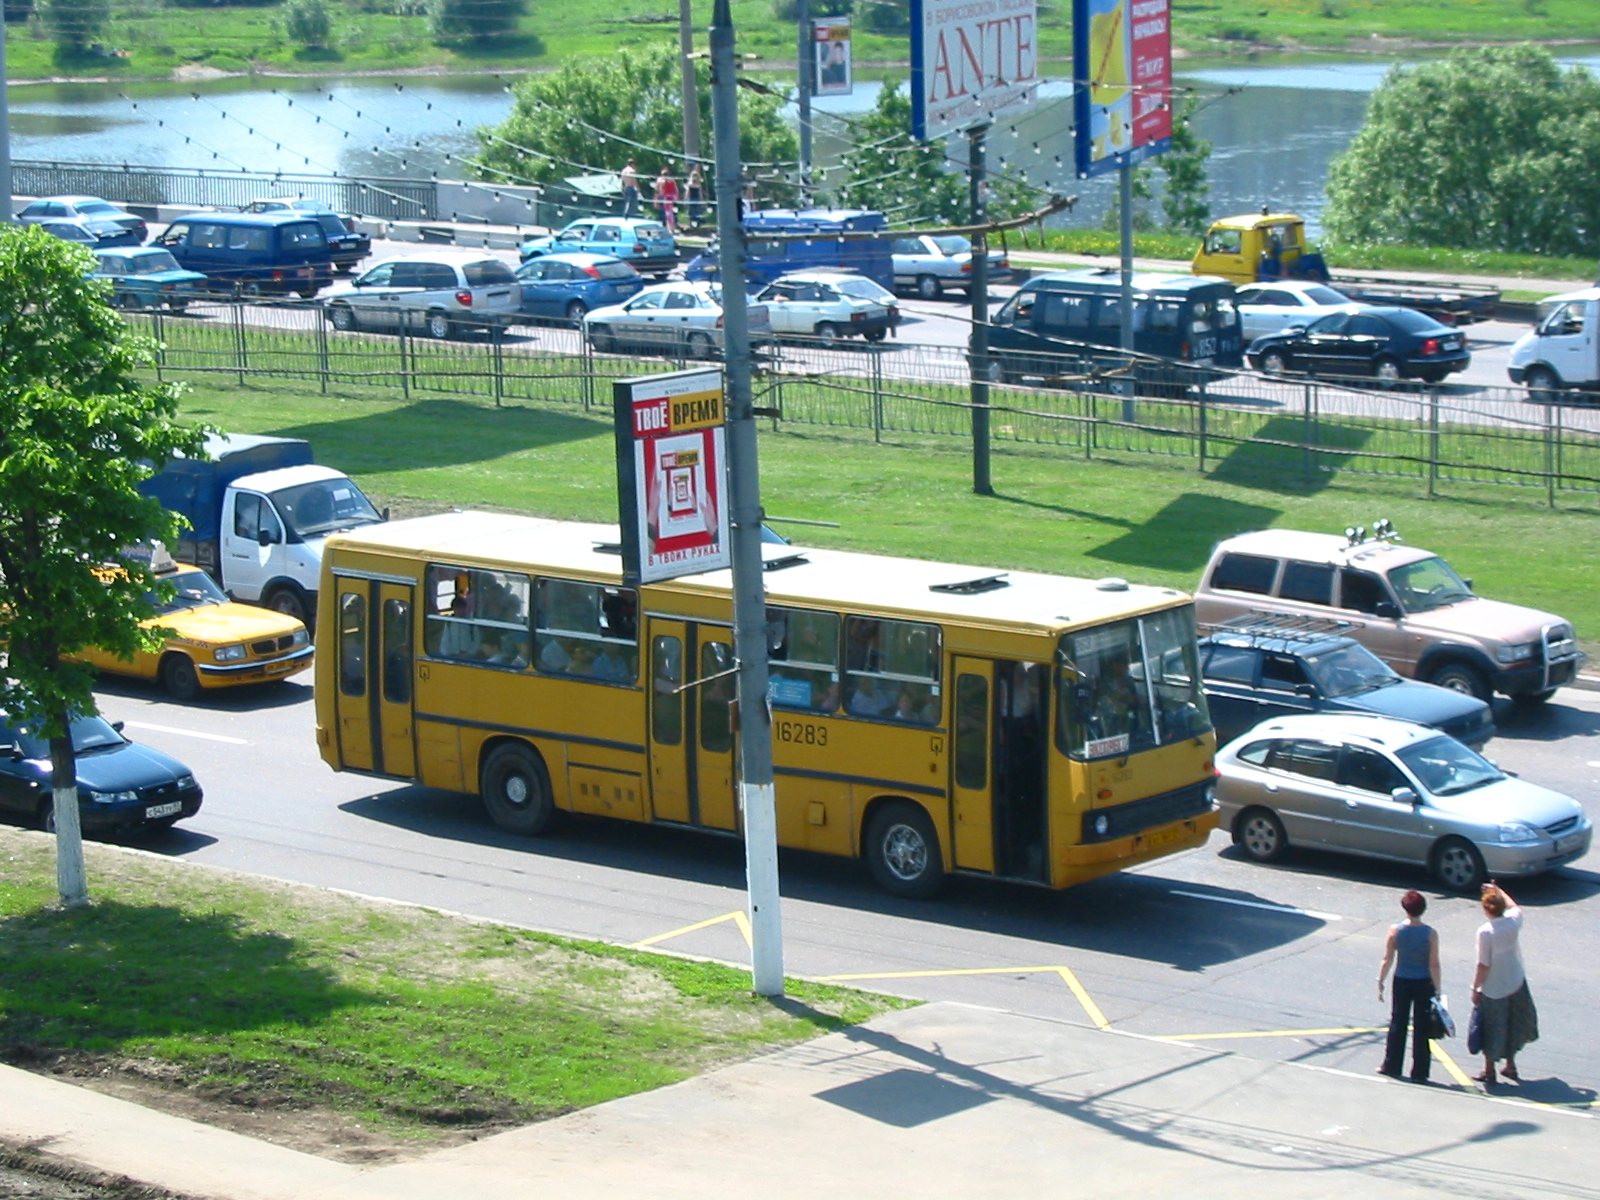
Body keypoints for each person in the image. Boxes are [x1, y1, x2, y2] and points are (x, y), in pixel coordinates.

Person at [1472, 882, 1538, 1085]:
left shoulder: (1486, 932)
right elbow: (1514, 906)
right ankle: (1510, 1065)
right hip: (1515, 980)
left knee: (1492, 1027)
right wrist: (1498, 889)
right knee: (1512, 1023)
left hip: (1494, 988)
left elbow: (1484, 964)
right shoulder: (1512, 921)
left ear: (1485, 909)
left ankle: (1489, 1069)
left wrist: (1475, 987)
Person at [1376, 889, 1441, 1082]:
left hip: (1402, 979)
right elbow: (1434, 963)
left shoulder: (1395, 930)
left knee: (1398, 1022)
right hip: (1424, 982)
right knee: (1422, 1027)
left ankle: (1392, 1065)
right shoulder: (1430, 933)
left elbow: (1387, 958)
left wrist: (1380, 980)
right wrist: (1438, 988)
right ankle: (1420, 1071)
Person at [654, 167, 679, 234]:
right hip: (672, 197)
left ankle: (668, 228)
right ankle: (672, 228)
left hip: (665, 198)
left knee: (667, 214)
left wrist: (656, 199)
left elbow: (659, 191)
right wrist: (676, 198)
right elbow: (676, 190)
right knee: (671, 214)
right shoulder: (672, 181)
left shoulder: (660, 181)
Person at [685, 164, 705, 229]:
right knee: (697, 211)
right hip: (697, 199)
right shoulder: (699, 184)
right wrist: (702, 200)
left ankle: (692, 223)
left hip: (691, 199)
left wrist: (686, 199)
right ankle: (697, 223)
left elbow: (687, 192)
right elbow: (700, 193)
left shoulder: (690, 184)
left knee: (691, 211)